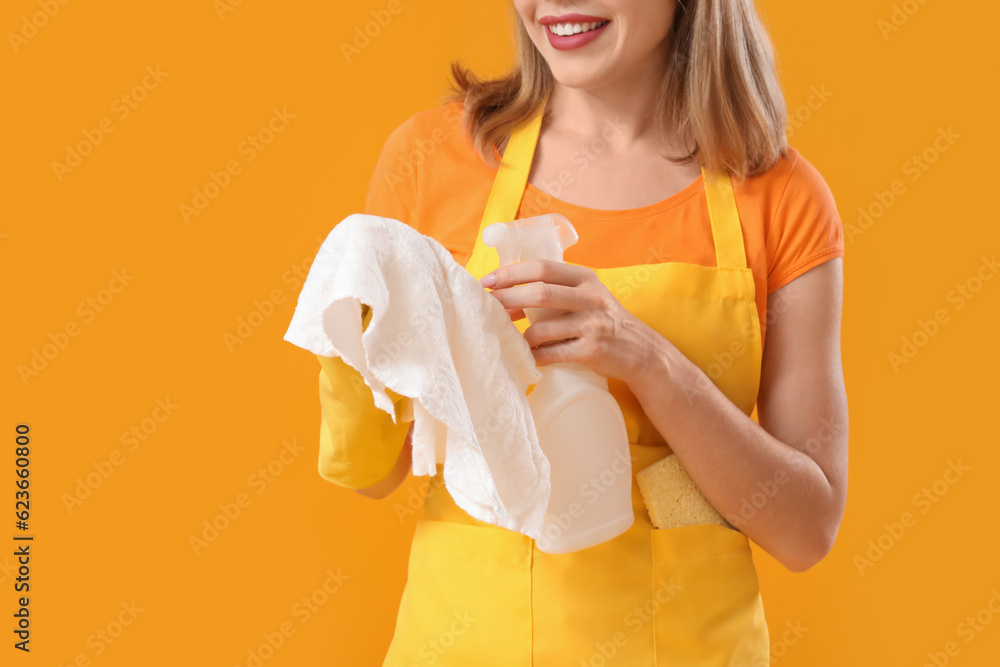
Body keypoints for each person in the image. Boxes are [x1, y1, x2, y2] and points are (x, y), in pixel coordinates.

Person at [311, 1, 848, 664]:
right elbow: (369, 471)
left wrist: (649, 360)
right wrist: (354, 329)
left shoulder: (778, 198)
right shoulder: (431, 160)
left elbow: (806, 527)